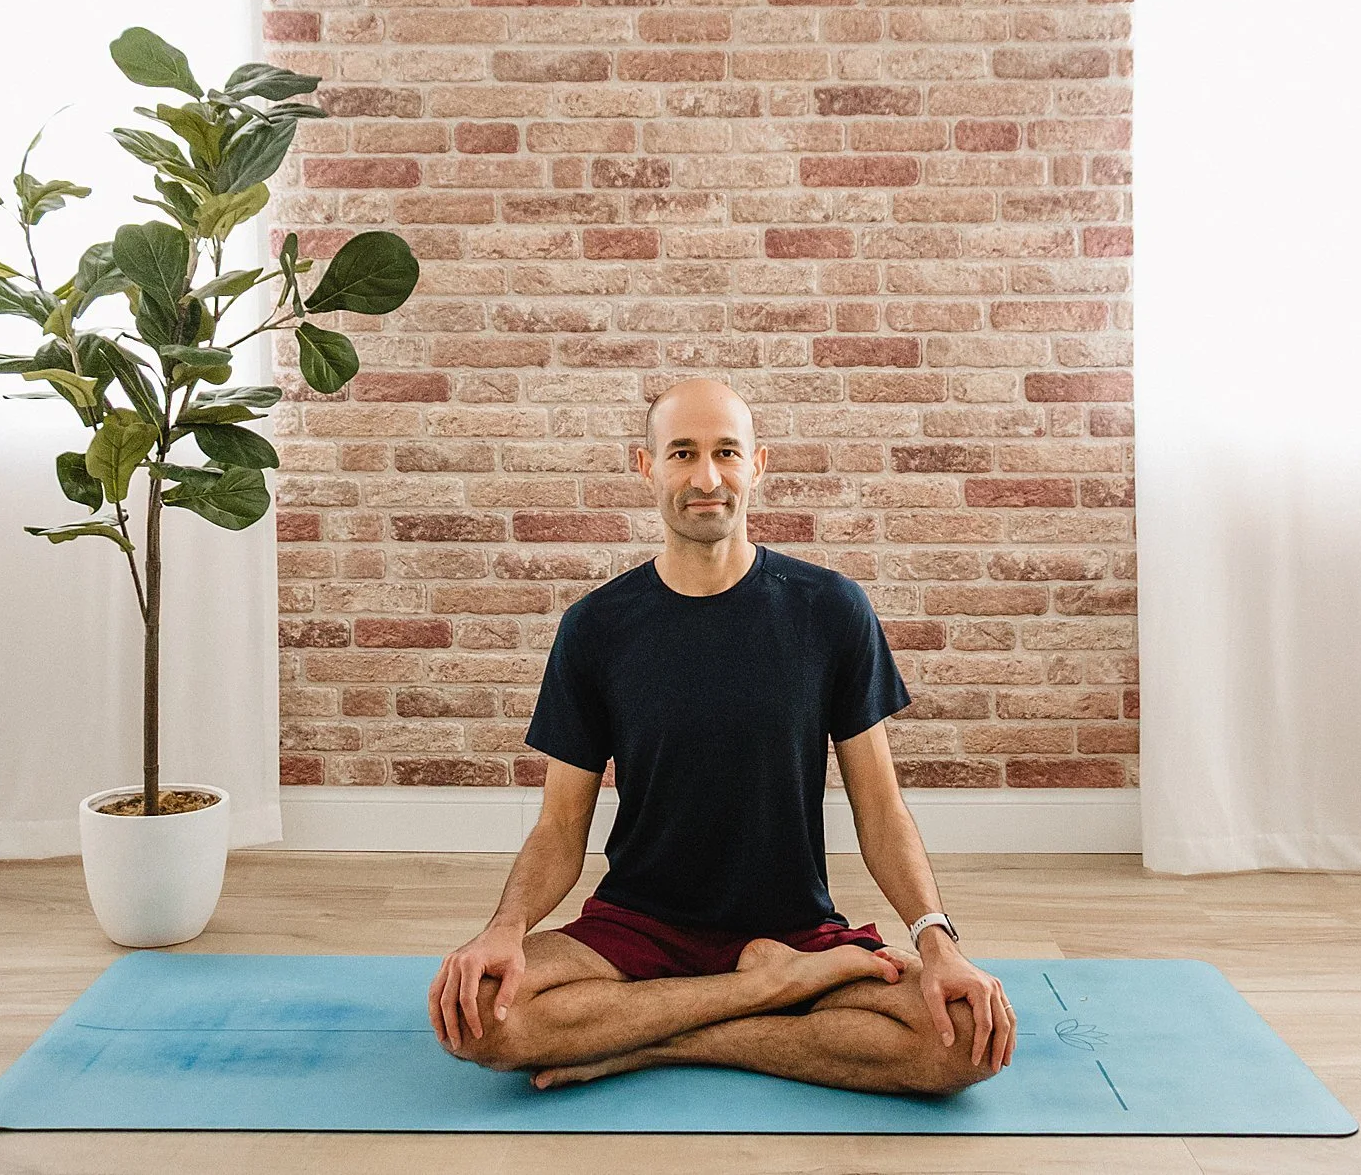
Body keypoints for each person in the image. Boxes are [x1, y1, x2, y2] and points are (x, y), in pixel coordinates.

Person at [426, 378, 1016, 1095]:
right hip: (640, 926)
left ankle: (644, 1046)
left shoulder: (831, 609)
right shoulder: (596, 628)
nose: (706, 477)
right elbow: (558, 826)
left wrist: (938, 941)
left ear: (757, 463)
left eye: (726, 452)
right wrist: (503, 928)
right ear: (647, 468)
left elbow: (882, 810)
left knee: (964, 1044)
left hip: (796, 930)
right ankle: (762, 994)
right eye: (682, 453)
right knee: (481, 1018)